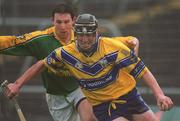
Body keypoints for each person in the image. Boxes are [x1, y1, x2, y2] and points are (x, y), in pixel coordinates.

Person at [5, 13, 173, 121]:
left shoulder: (112, 47)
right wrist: (18, 84)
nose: (85, 40)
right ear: (76, 34)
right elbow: (42, 63)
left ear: (96, 33)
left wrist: (159, 95)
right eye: (81, 36)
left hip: (129, 96)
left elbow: (142, 70)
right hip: (102, 105)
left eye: (89, 35)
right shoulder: (66, 53)